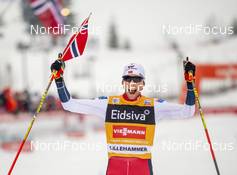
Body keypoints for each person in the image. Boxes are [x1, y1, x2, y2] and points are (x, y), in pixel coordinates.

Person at [51, 57, 196, 175]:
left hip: (142, 168)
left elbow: (187, 111)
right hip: (115, 168)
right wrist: (58, 79)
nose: (132, 83)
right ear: (122, 82)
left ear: (143, 83)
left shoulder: (153, 105)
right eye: (128, 78)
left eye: (137, 79)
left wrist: (190, 83)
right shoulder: (108, 104)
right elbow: (69, 104)